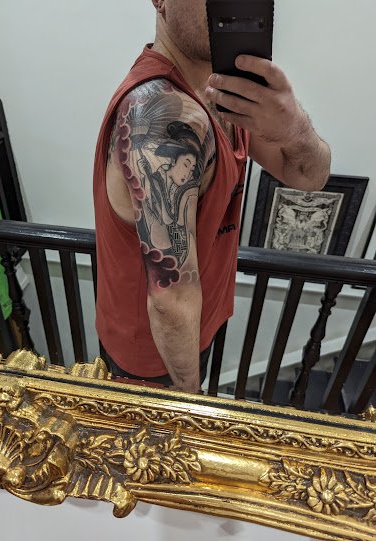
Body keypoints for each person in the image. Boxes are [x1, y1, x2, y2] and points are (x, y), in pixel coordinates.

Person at [93, 0, 331, 393]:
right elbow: (170, 298)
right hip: (150, 356)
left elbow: (310, 178)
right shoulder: (162, 113)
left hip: (195, 326)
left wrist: (295, 129)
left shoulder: (226, 94)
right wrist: (193, 401)